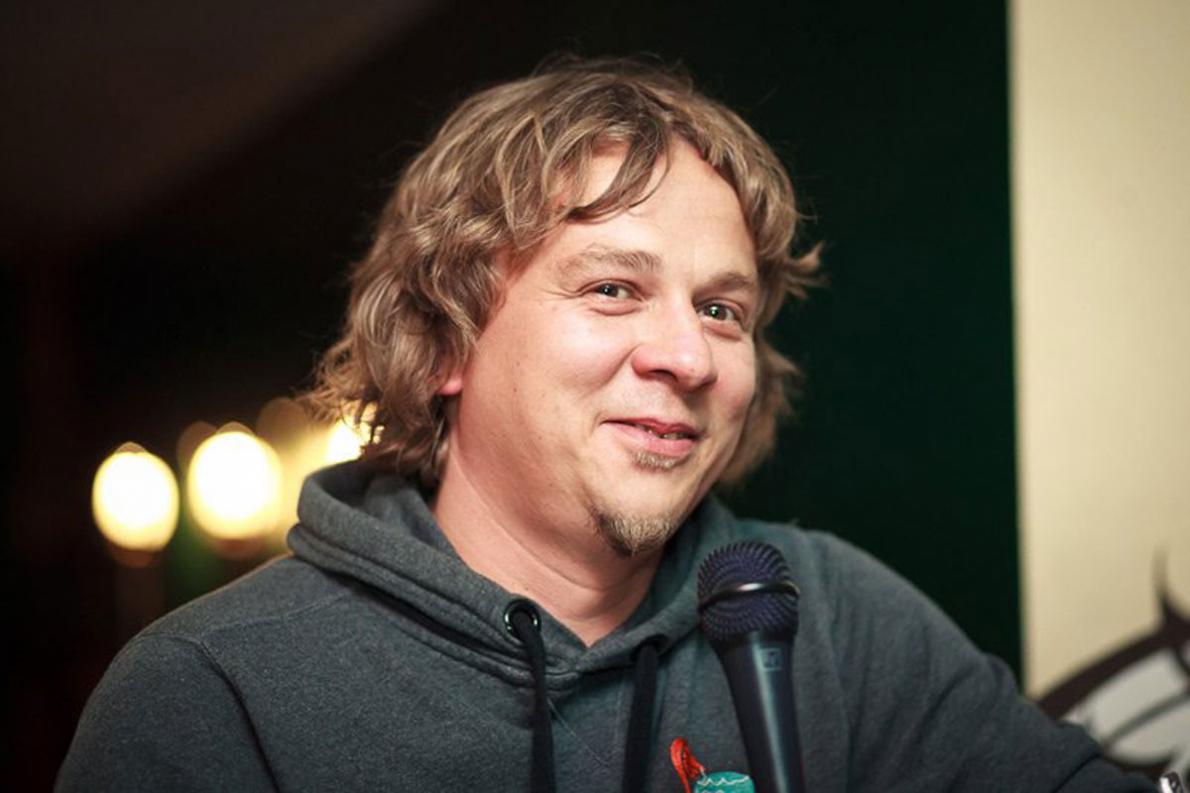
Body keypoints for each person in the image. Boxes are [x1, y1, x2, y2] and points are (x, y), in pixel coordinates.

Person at [58, 57, 1152, 792]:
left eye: (720, 309)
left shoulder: (828, 620)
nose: (687, 356)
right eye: (614, 289)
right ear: (443, 345)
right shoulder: (213, 693)